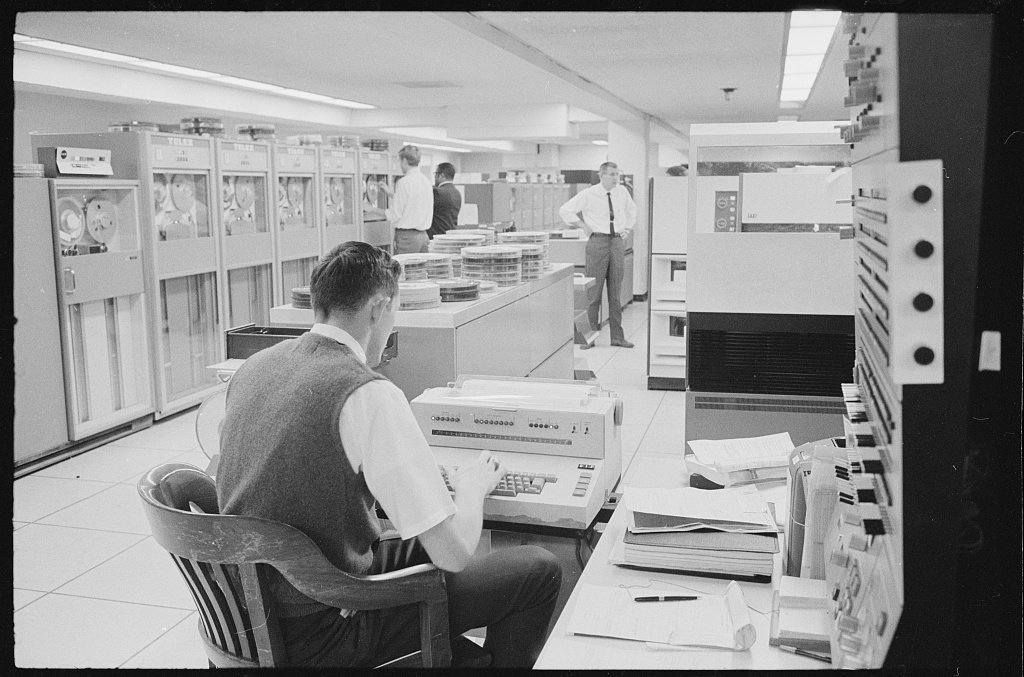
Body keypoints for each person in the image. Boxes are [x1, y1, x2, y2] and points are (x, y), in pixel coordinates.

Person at [216, 241, 562, 668]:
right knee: (538, 570)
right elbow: (454, 554)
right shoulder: (368, 393)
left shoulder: (253, 368)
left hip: (250, 616)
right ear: (379, 307)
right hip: (323, 633)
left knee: (418, 543)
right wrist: (471, 489)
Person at [558, 161, 638, 348]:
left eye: (617, 174)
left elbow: (632, 211)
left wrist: (626, 228)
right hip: (597, 242)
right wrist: (582, 225)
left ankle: (617, 337)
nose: (615, 178)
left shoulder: (622, 192)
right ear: (601, 175)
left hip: (617, 242)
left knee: (615, 294)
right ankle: (587, 337)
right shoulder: (589, 193)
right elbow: (565, 210)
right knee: (592, 293)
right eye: (611, 174)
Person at [378, 145, 433, 254]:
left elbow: (394, 215)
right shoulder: (426, 181)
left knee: (404, 270)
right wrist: (391, 193)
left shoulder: (404, 182)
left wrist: (368, 209)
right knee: (419, 270)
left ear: (404, 160)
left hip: (407, 238)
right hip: (423, 237)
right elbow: (412, 202)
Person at [427, 162, 461, 239]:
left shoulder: (437, 192)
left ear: (442, 175)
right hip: (450, 236)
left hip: (436, 237)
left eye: (435, 174)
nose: (434, 177)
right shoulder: (457, 192)